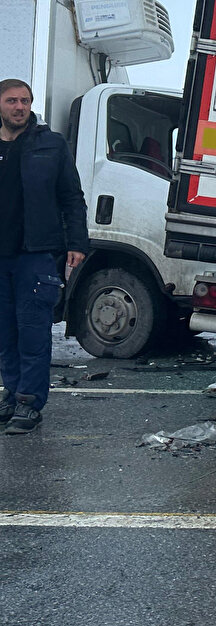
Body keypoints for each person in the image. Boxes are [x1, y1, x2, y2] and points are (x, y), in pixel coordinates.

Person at [0, 78, 89, 435]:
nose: (19, 107)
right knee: (5, 333)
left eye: (25, 101)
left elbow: (71, 196)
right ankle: (11, 394)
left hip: (35, 255)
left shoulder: (51, 144)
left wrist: (77, 242)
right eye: (11, 101)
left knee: (33, 332)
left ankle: (29, 402)